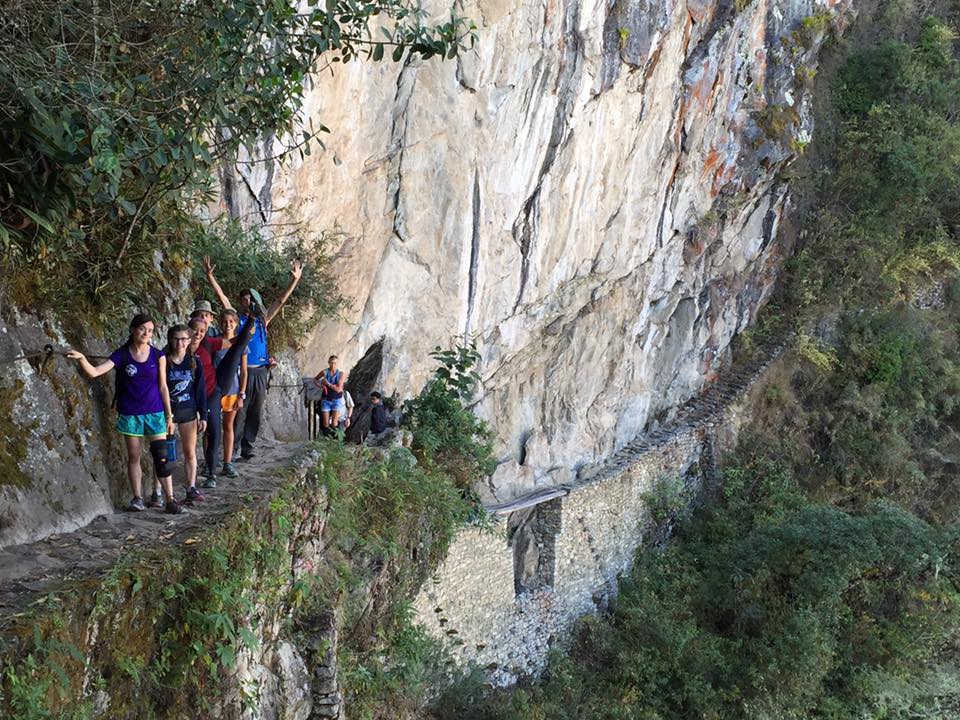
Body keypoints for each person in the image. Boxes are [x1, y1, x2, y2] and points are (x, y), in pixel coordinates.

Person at [66, 314, 182, 514]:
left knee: (161, 456)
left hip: (155, 412)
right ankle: (137, 498)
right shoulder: (121, 355)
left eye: (150, 330)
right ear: (133, 330)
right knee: (134, 456)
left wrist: (169, 416)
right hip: (130, 414)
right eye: (142, 329)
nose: (146, 333)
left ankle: (170, 499)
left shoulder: (158, 355)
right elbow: (95, 372)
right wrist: (82, 359)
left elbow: (163, 386)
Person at [203, 255, 303, 460]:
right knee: (240, 409)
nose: (247, 301)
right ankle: (235, 448)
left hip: (260, 371)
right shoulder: (238, 321)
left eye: (250, 298)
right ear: (241, 302)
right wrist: (210, 277)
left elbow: (281, 301)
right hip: (243, 370)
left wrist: (294, 280)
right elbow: (223, 300)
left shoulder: (262, 321)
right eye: (244, 298)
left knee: (255, 411)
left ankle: (248, 447)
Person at [190, 311, 256, 486]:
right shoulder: (179, 346)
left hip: (216, 387)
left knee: (234, 355)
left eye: (202, 331)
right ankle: (209, 469)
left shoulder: (208, 343)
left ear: (206, 333)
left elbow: (232, 343)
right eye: (195, 330)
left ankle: (253, 318)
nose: (198, 334)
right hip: (197, 396)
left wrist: (246, 333)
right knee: (211, 431)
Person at [160, 324, 208, 505]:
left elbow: (200, 390)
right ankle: (159, 492)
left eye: (184, 339)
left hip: (188, 410)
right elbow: (160, 388)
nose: (180, 342)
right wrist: (165, 414)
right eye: (176, 338)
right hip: (168, 412)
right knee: (163, 454)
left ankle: (191, 487)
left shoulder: (194, 362)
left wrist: (203, 415)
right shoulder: (164, 361)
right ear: (170, 340)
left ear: (189, 340)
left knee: (190, 452)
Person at [217, 309, 248, 479]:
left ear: (236, 323)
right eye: (224, 320)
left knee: (228, 426)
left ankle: (227, 463)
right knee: (211, 429)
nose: (227, 324)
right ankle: (210, 462)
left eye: (231, 321)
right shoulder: (215, 342)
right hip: (215, 390)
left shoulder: (241, 345)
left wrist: (242, 394)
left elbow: (244, 371)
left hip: (233, 390)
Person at [315, 355, 345, 434]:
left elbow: (338, 390)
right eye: (331, 363)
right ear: (328, 363)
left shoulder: (341, 374)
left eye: (335, 363)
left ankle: (333, 440)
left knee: (334, 422)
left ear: (337, 363)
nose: (333, 365)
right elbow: (315, 379)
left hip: (337, 400)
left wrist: (327, 384)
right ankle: (326, 439)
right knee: (326, 423)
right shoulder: (324, 372)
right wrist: (321, 386)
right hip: (326, 399)